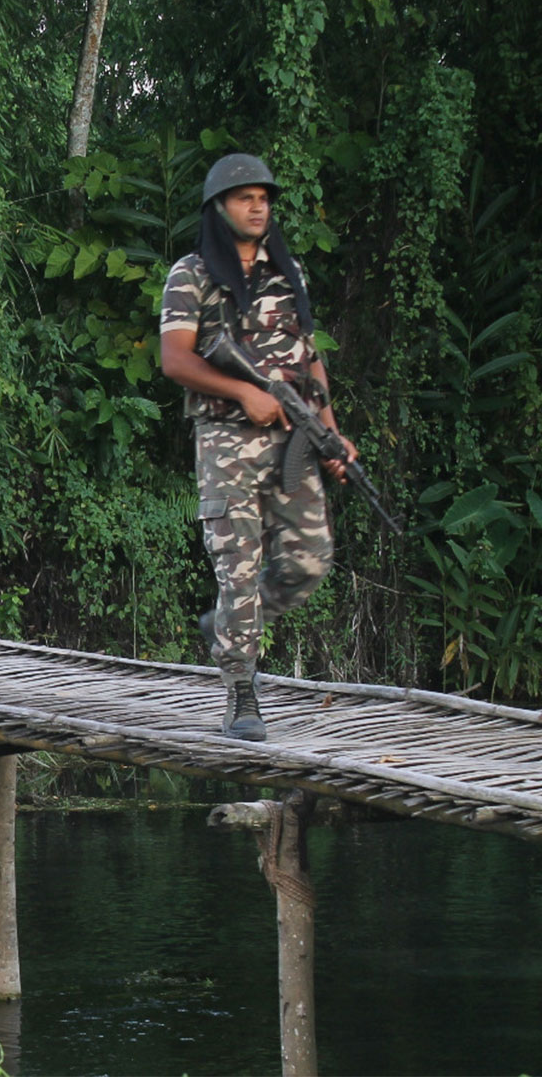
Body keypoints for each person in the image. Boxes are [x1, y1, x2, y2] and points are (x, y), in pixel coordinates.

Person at [159, 154, 357, 741]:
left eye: (263, 197)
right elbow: (175, 359)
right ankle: (242, 694)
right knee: (238, 570)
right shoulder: (191, 273)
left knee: (310, 561)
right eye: (244, 197)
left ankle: (224, 625)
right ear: (219, 207)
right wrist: (244, 392)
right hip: (226, 443)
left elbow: (310, 359)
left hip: (291, 437)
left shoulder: (286, 270)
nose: (257, 206)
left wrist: (330, 431)